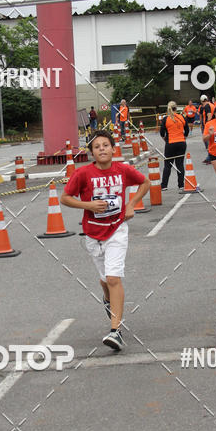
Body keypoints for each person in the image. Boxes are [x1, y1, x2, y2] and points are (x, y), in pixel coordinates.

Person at [61, 130, 149, 351]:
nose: (102, 149)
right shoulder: (83, 174)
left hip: (117, 230)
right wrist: (88, 205)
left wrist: (131, 205)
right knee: (104, 280)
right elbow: (65, 198)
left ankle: (115, 331)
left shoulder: (123, 170)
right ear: (91, 152)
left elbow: (145, 183)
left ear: (113, 148)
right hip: (92, 234)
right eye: (97, 146)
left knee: (113, 278)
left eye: (105, 145)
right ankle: (109, 300)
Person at [160, 101, 190, 191]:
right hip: (181, 143)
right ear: (176, 108)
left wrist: (165, 139)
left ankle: (164, 185)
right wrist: (183, 137)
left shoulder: (166, 119)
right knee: (180, 164)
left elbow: (162, 132)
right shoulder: (181, 117)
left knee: (168, 165)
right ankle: (181, 184)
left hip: (170, 143)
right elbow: (187, 130)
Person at [198, 95, 213, 163]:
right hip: (213, 124)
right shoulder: (211, 105)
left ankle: (210, 157)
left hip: (208, 125)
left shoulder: (206, 106)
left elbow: (209, 116)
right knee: (211, 142)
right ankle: (210, 157)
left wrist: (206, 125)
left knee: (207, 141)